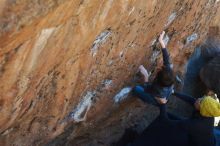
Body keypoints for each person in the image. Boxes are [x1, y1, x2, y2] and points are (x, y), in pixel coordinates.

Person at [133, 31, 175, 106]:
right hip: (165, 92)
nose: (159, 68)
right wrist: (161, 41)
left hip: (157, 99)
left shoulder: (158, 88)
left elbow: (146, 89)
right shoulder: (168, 72)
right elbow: (166, 58)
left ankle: (144, 98)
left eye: (159, 71)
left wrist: (146, 75)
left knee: (136, 89)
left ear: (158, 79)